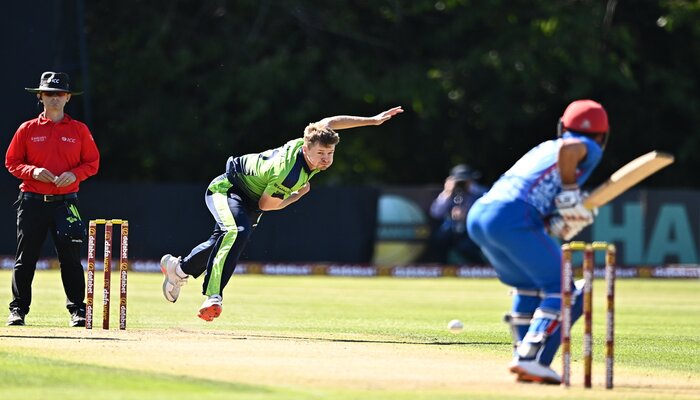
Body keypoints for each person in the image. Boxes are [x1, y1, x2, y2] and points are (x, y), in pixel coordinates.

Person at [160, 106, 403, 321]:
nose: (326, 160)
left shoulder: (313, 137)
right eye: (320, 154)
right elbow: (267, 205)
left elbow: (332, 121)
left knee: (221, 241)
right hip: (227, 189)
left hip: (252, 199)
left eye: (330, 154)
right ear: (306, 148)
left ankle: (178, 269)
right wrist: (297, 196)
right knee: (236, 232)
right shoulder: (290, 173)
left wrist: (372, 120)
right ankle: (213, 296)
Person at [466, 100, 608, 384]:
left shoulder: (543, 148)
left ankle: (525, 357)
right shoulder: (585, 145)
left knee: (529, 286)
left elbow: (532, 190)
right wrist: (570, 192)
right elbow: (570, 150)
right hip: (512, 217)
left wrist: (554, 220)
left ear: (562, 125)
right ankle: (530, 358)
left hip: (481, 215)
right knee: (564, 288)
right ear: (603, 135)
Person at [5, 71, 99, 327]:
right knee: (26, 258)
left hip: (66, 203)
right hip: (32, 200)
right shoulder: (27, 129)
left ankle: (78, 311)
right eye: (49, 94)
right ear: (40, 97)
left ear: (68, 97)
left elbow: (92, 163)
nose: (54, 99)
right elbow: (12, 162)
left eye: (59, 94)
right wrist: (33, 171)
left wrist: (74, 174)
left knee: (70, 259)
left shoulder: (79, 130)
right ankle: (18, 310)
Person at [427, 164, 487, 264]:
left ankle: (480, 269)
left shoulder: (479, 193)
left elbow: (485, 213)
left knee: (466, 246)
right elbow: (436, 213)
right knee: (439, 239)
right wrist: (447, 192)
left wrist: (467, 215)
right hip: (451, 229)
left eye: (464, 180)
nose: (461, 183)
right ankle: (442, 269)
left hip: (471, 230)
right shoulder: (450, 193)